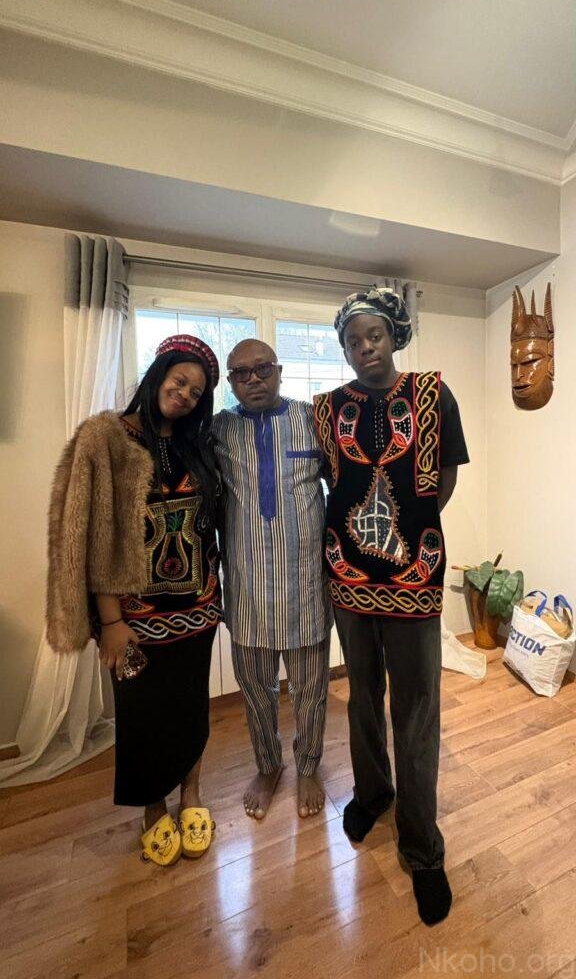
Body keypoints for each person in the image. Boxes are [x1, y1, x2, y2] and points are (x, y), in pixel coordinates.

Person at [312, 287, 469, 926]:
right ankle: (373, 793)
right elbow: (328, 481)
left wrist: (410, 531)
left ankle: (422, 844)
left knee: (417, 704)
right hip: (348, 574)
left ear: (394, 335)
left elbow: (446, 477)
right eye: (352, 341)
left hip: (414, 575)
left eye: (373, 335)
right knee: (361, 694)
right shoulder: (328, 409)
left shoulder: (433, 394)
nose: (364, 348)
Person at [46, 335, 222, 866]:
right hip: (134, 618)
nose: (185, 394)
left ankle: (192, 795)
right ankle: (153, 808)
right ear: (159, 372)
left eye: (196, 391)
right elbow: (92, 535)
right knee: (142, 715)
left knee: (191, 706)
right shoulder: (106, 438)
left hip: (197, 609)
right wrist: (111, 621)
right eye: (180, 381)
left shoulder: (197, 443)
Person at [212, 339, 331, 820]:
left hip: (305, 587)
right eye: (241, 373)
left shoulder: (312, 419)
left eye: (262, 369)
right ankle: (268, 766)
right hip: (248, 589)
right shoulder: (219, 430)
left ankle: (308, 767)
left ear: (279, 371)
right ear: (230, 382)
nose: (254, 379)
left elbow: (345, 483)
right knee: (256, 691)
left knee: (311, 691)